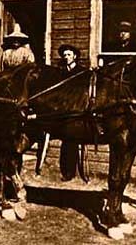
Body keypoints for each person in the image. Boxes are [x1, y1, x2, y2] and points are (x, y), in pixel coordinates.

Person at [58, 44, 86, 181]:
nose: (67, 57)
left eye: (69, 55)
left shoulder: (81, 72)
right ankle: (66, 171)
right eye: (65, 55)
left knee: (73, 139)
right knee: (66, 140)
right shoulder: (62, 72)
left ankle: (73, 171)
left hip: (77, 108)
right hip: (64, 108)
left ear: (75, 56)